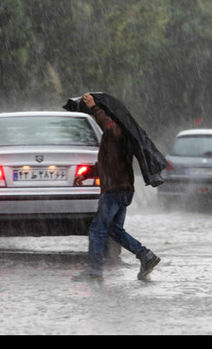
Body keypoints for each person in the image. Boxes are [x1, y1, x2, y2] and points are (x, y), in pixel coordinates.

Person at [71, 93, 160, 282]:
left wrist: (95, 108)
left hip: (115, 190)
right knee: (114, 230)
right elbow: (106, 163)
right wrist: (85, 175)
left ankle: (94, 272)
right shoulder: (116, 136)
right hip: (122, 189)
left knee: (97, 229)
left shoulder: (116, 130)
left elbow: (109, 127)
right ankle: (146, 256)